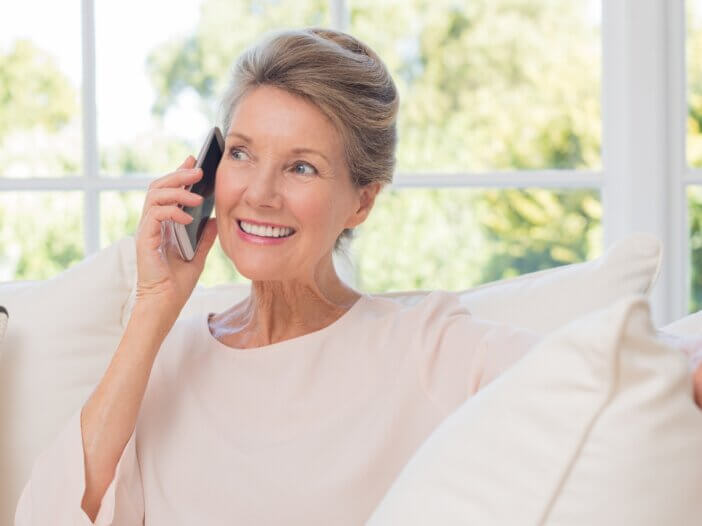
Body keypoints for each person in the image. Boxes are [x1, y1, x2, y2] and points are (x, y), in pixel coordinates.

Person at [15, 27, 702, 526]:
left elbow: (616, 368)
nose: (259, 192)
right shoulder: (167, 353)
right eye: (244, 154)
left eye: (302, 167)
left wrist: (681, 360)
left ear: (363, 200)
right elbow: (46, 517)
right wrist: (153, 308)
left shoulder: (425, 343)